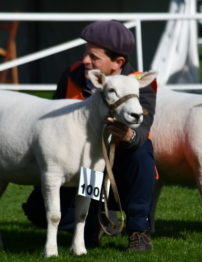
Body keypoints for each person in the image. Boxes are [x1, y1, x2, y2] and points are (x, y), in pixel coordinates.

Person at [22, 20, 157, 252]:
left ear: (118, 62)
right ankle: (91, 225)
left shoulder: (139, 83)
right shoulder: (73, 74)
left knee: (142, 153)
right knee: (37, 210)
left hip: (120, 165)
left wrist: (129, 136)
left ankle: (138, 230)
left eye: (94, 57)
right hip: (77, 160)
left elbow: (143, 131)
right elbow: (53, 118)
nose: (86, 61)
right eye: (86, 53)